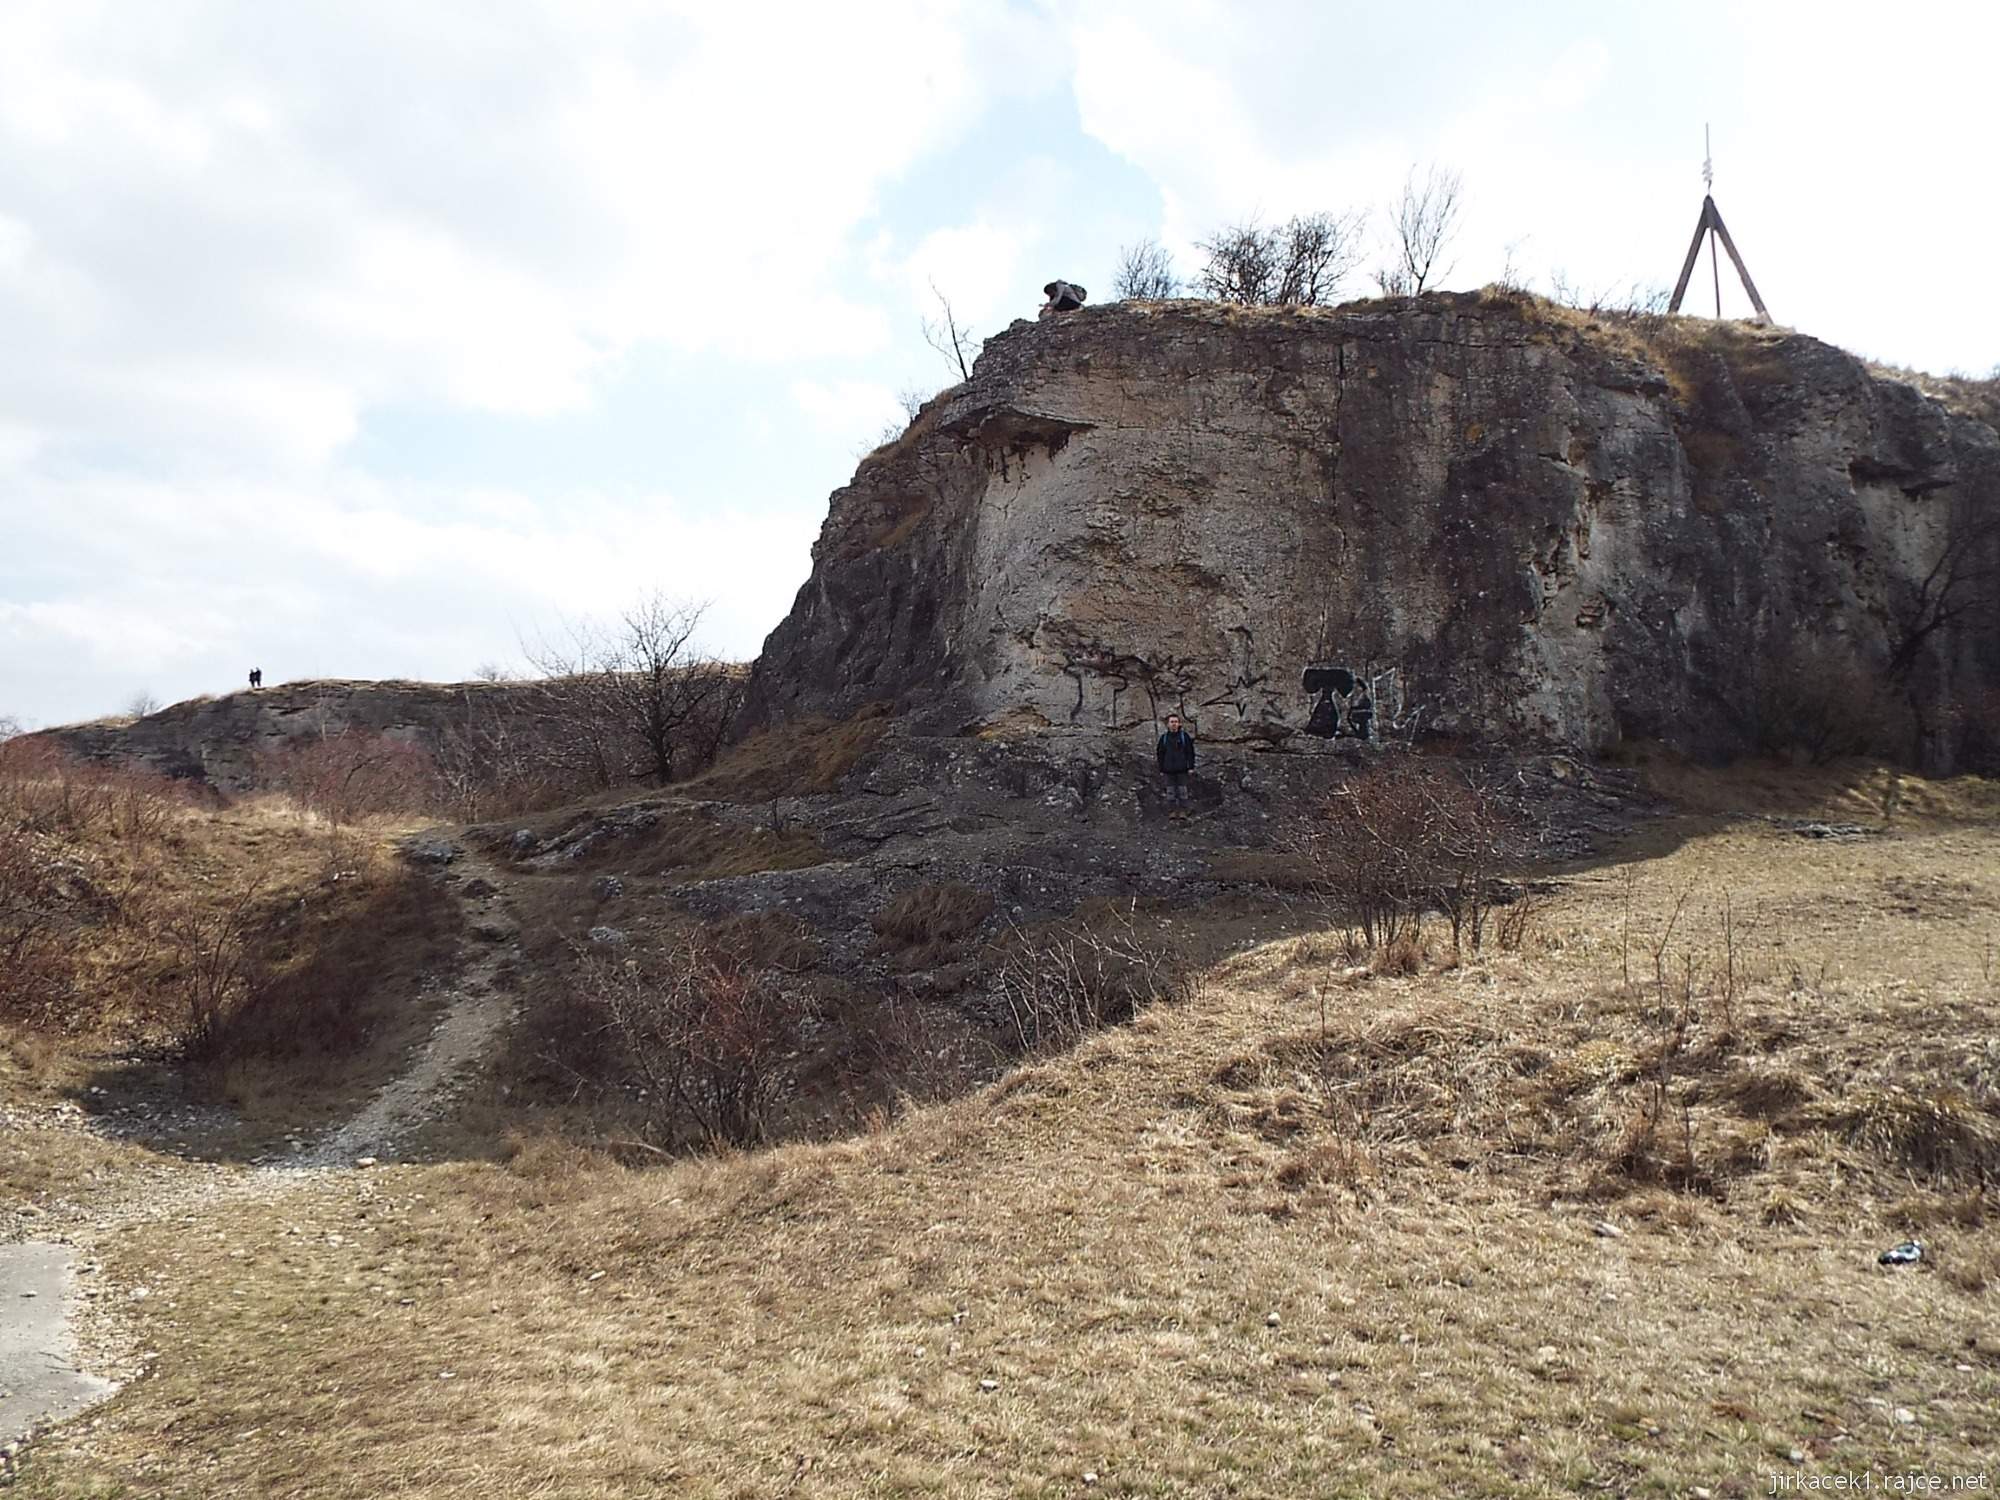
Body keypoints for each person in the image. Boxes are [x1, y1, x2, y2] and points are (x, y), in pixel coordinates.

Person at [1156, 713, 1196, 818]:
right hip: (1168, 770)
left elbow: (1190, 752)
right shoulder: (1164, 738)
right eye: (1172, 722)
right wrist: (1161, 768)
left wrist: (1191, 767)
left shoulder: (1184, 737)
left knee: (1183, 792)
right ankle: (1172, 811)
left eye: (1176, 722)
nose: (1174, 724)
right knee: (1170, 792)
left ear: (1179, 724)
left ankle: (1183, 811)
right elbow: (1160, 754)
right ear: (1168, 724)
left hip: (1182, 769)